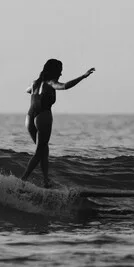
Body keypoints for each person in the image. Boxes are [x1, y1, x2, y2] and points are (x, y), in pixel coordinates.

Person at [21, 59, 95, 187]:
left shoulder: (35, 83)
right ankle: (23, 179)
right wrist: (83, 76)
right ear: (54, 71)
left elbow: (27, 90)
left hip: (29, 118)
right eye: (60, 71)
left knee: (44, 150)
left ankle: (46, 181)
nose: (61, 74)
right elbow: (65, 86)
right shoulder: (51, 83)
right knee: (40, 151)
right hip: (42, 116)